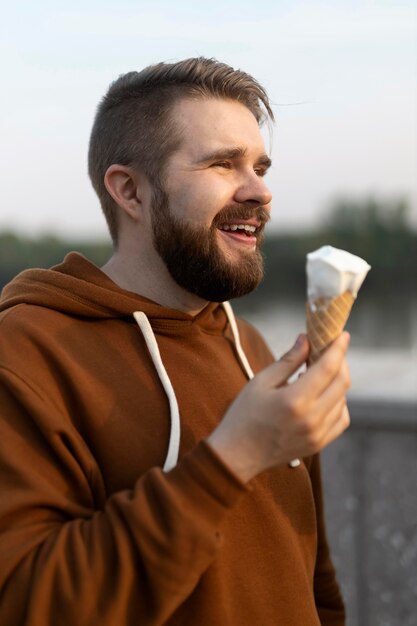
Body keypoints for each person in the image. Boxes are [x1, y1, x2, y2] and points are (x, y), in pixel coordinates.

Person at [0, 57, 350, 625]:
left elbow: (313, 579)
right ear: (131, 192)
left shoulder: (257, 349)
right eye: (222, 163)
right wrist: (234, 456)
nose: (260, 191)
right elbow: (28, 602)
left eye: (261, 167)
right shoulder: (26, 356)